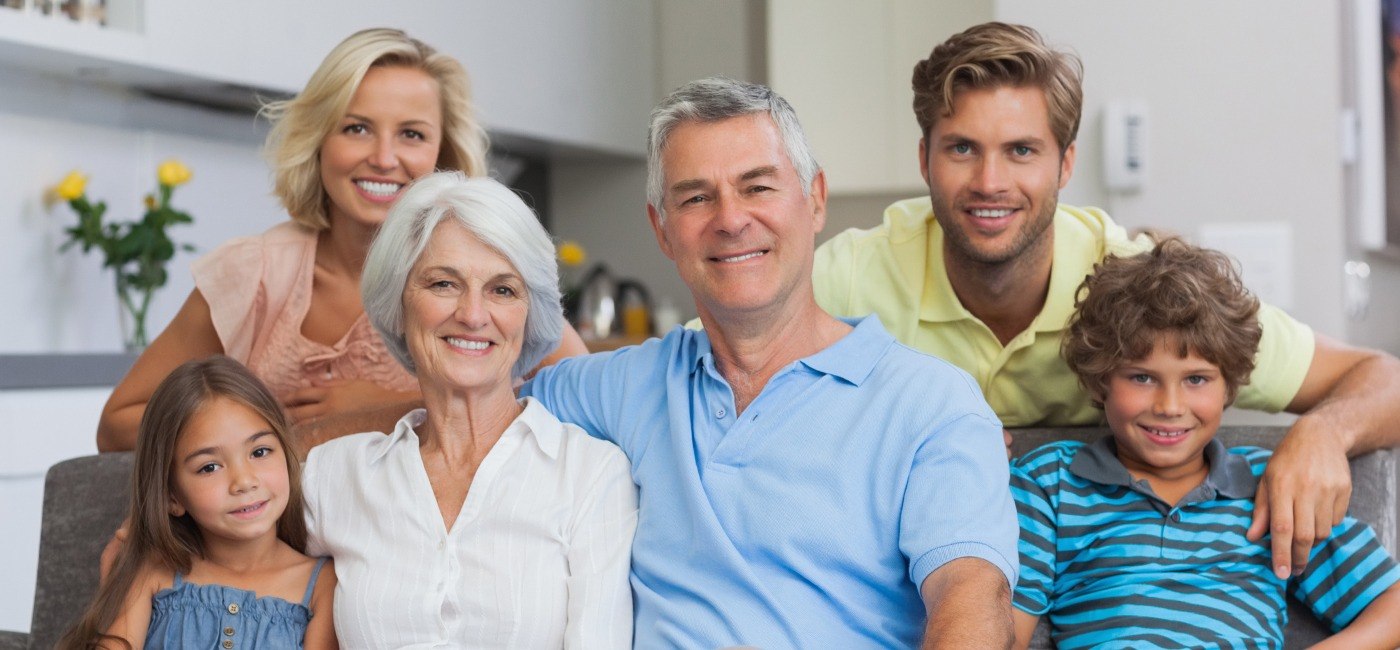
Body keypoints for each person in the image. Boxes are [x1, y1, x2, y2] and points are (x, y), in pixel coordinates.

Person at [812, 21, 1400, 577]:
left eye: (1022, 151)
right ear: (924, 159)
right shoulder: (851, 276)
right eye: (962, 149)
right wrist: (898, 431)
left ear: (1065, 163)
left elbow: (1384, 379)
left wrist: (1325, 432)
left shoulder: (1139, 285)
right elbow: (723, 387)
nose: (990, 182)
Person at [520, 77, 1017, 649]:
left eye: (757, 187)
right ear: (662, 229)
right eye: (696, 197)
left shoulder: (932, 403)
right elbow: (462, 407)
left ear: (816, 201)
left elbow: (973, 601)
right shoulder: (621, 386)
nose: (730, 219)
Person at [95, 27, 587, 455]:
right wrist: (265, 432)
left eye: (412, 134)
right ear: (318, 140)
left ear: (445, 153)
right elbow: (118, 425)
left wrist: (394, 409)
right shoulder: (253, 274)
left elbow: (590, 407)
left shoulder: (493, 276)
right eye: (356, 128)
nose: (384, 157)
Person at [1010, 238, 1400, 649]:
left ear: (1229, 385)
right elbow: (1000, 632)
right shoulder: (1049, 482)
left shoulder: (1272, 485)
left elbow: (1391, 604)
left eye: (1196, 379)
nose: (1170, 406)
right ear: (1101, 379)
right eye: (1142, 377)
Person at [302, 172, 636, 647]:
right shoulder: (331, 476)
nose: (473, 315)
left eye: (503, 290)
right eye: (443, 283)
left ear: (529, 314)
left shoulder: (591, 475)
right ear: (399, 303)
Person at [62, 356, 336, 649]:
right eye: (209, 467)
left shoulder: (323, 584)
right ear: (171, 496)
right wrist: (116, 583)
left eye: (260, 452)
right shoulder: (152, 570)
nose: (244, 481)